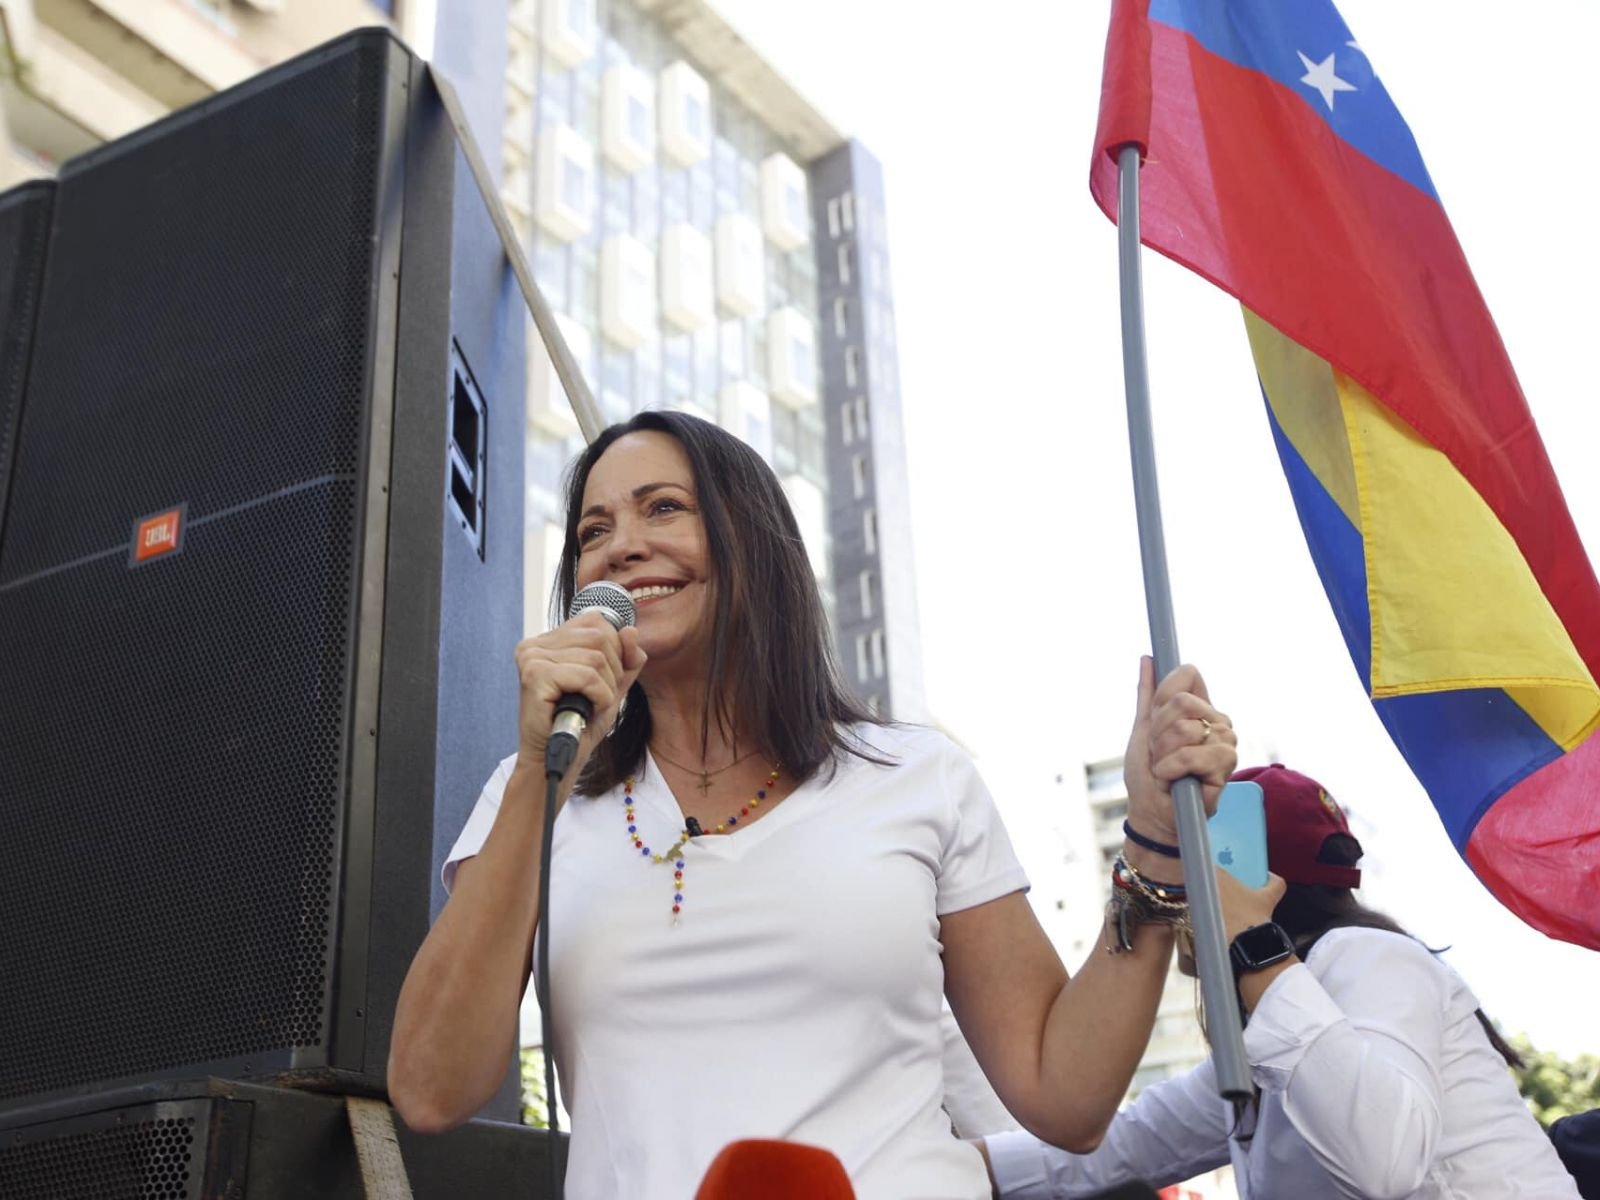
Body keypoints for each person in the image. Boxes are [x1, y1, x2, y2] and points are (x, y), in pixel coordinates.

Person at [385, 410, 1238, 1200]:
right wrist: (544, 772)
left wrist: (1155, 840)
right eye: (594, 531)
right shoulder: (535, 788)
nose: (622, 547)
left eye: (664, 508)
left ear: (751, 544)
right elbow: (429, 1089)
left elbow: (1064, 1096)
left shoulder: (915, 776)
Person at [978, 763, 1583, 1200]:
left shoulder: (1365, 958)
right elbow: (1112, 1150)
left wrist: (1252, 945)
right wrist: (937, 1165)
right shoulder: (1267, 1038)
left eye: (1184, 877)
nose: (1174, 900)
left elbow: (1384, 1163)